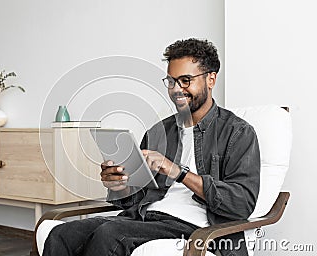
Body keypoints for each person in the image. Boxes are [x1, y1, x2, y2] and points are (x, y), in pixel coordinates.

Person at [43, 38, 260, 256]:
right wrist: (120, 185)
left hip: (195, 226)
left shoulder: (238, 132)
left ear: (211, 79)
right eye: (171, 81)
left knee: (110, 235)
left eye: (185, 80)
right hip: (145, 218)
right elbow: (134, 198)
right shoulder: (159, 132)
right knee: (61, 233)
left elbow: (241, 204)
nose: (177, 89)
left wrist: (178, 172)